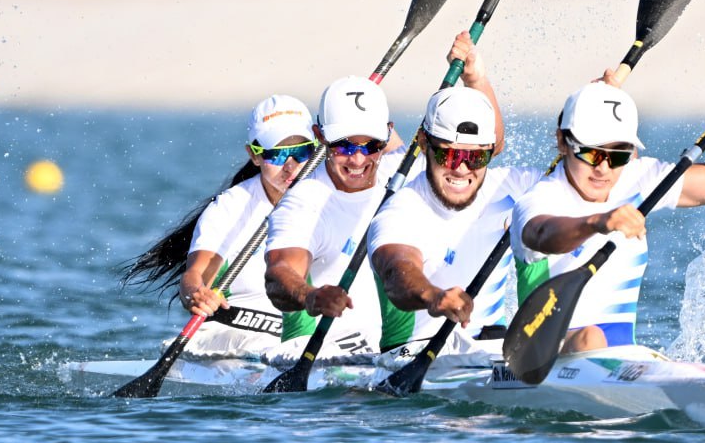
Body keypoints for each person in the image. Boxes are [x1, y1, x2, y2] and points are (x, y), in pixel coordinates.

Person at [264, 32, 489, 357]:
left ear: (387, 135)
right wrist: (310, 296)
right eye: (344, 146)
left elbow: (482, 148)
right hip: (318, 355)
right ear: (319, 137)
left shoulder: (406, 171)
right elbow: (280, 273)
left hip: (392, 355)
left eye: (371, 146)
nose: (358, 160)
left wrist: (475, 79)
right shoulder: (304, 202)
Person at [509, 73, 705, 354]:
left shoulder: (638, 179)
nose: (603, 168)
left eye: (618, 155)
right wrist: (598, 222)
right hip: (541, 356)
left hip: (617, 356)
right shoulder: (540, 199)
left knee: (596, 341)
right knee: (590, 339)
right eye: (590, 153)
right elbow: (542, 234)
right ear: (562, 142)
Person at [118, 94, 317, 358]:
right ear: (255, 156)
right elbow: (196, 274)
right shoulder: (230, 207)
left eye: (302, 152)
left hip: (305, 342)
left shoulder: (333, 197)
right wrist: (196, 294)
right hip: (231, 340)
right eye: (277, 155)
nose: (291, 167)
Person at [368, 85, 539, 356]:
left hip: (490, 349)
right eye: (448, 154)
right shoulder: (402, 210)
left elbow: (589, 175)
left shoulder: (513, 187)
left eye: (476, 157)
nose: (461, 168)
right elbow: (397, 273)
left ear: (491, 152)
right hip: (415, 354)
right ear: (423, 143)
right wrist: (434, 296)